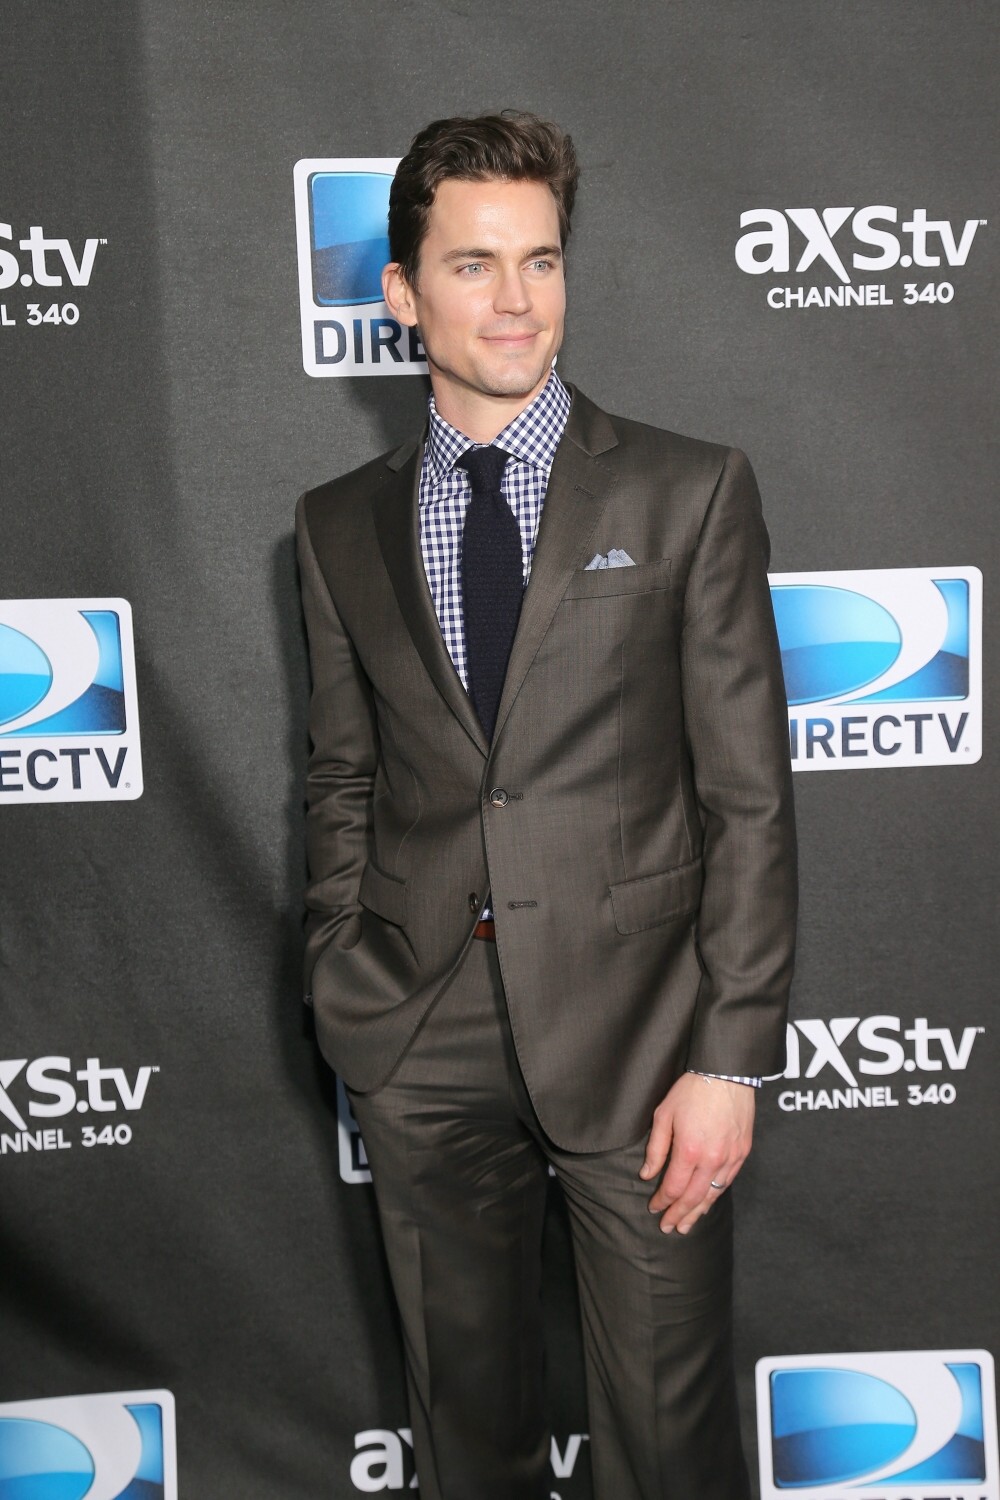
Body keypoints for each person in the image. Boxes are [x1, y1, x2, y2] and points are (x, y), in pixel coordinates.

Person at [296, 111, 797, 1500]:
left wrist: (731, 1057)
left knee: (667, 1449)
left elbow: (748, 794)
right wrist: (345, 973)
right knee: (468, 1447)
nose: (517, 299)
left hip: (644, 1041)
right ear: (402, 295)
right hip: (419, 1029)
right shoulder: (336, 525)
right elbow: (341, 775)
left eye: (541, 260)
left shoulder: (689, 490)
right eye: (473, 265)